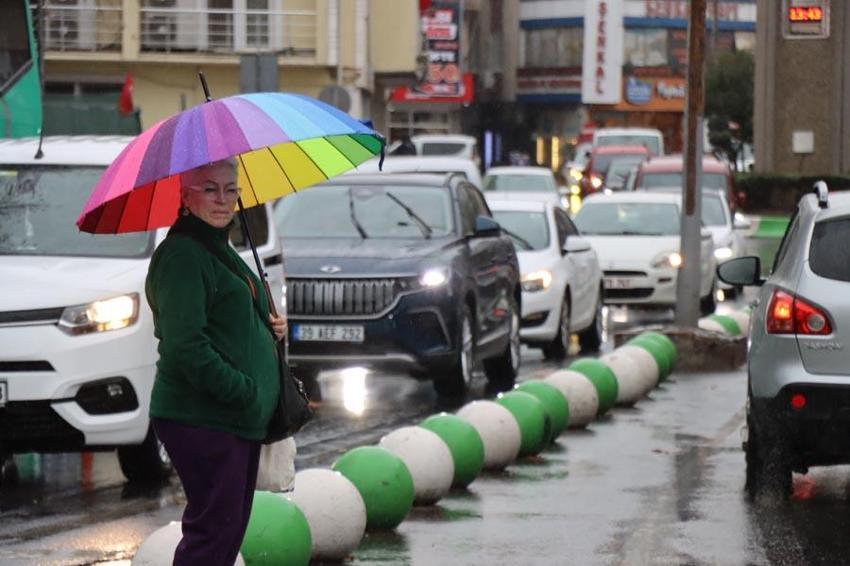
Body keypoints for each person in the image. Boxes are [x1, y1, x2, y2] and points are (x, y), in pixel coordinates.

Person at [145, 158, 286, 565]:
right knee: (211, 536)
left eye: (230, 189)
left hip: (233, 420)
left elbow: (227, 318)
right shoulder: (183, 256)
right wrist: (243, 391)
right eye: (209, 189)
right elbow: (185, 345)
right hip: (203, 417)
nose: (222, 199)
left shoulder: (218, 247)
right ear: (185, 197)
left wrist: (267, 327)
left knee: (226, 535)